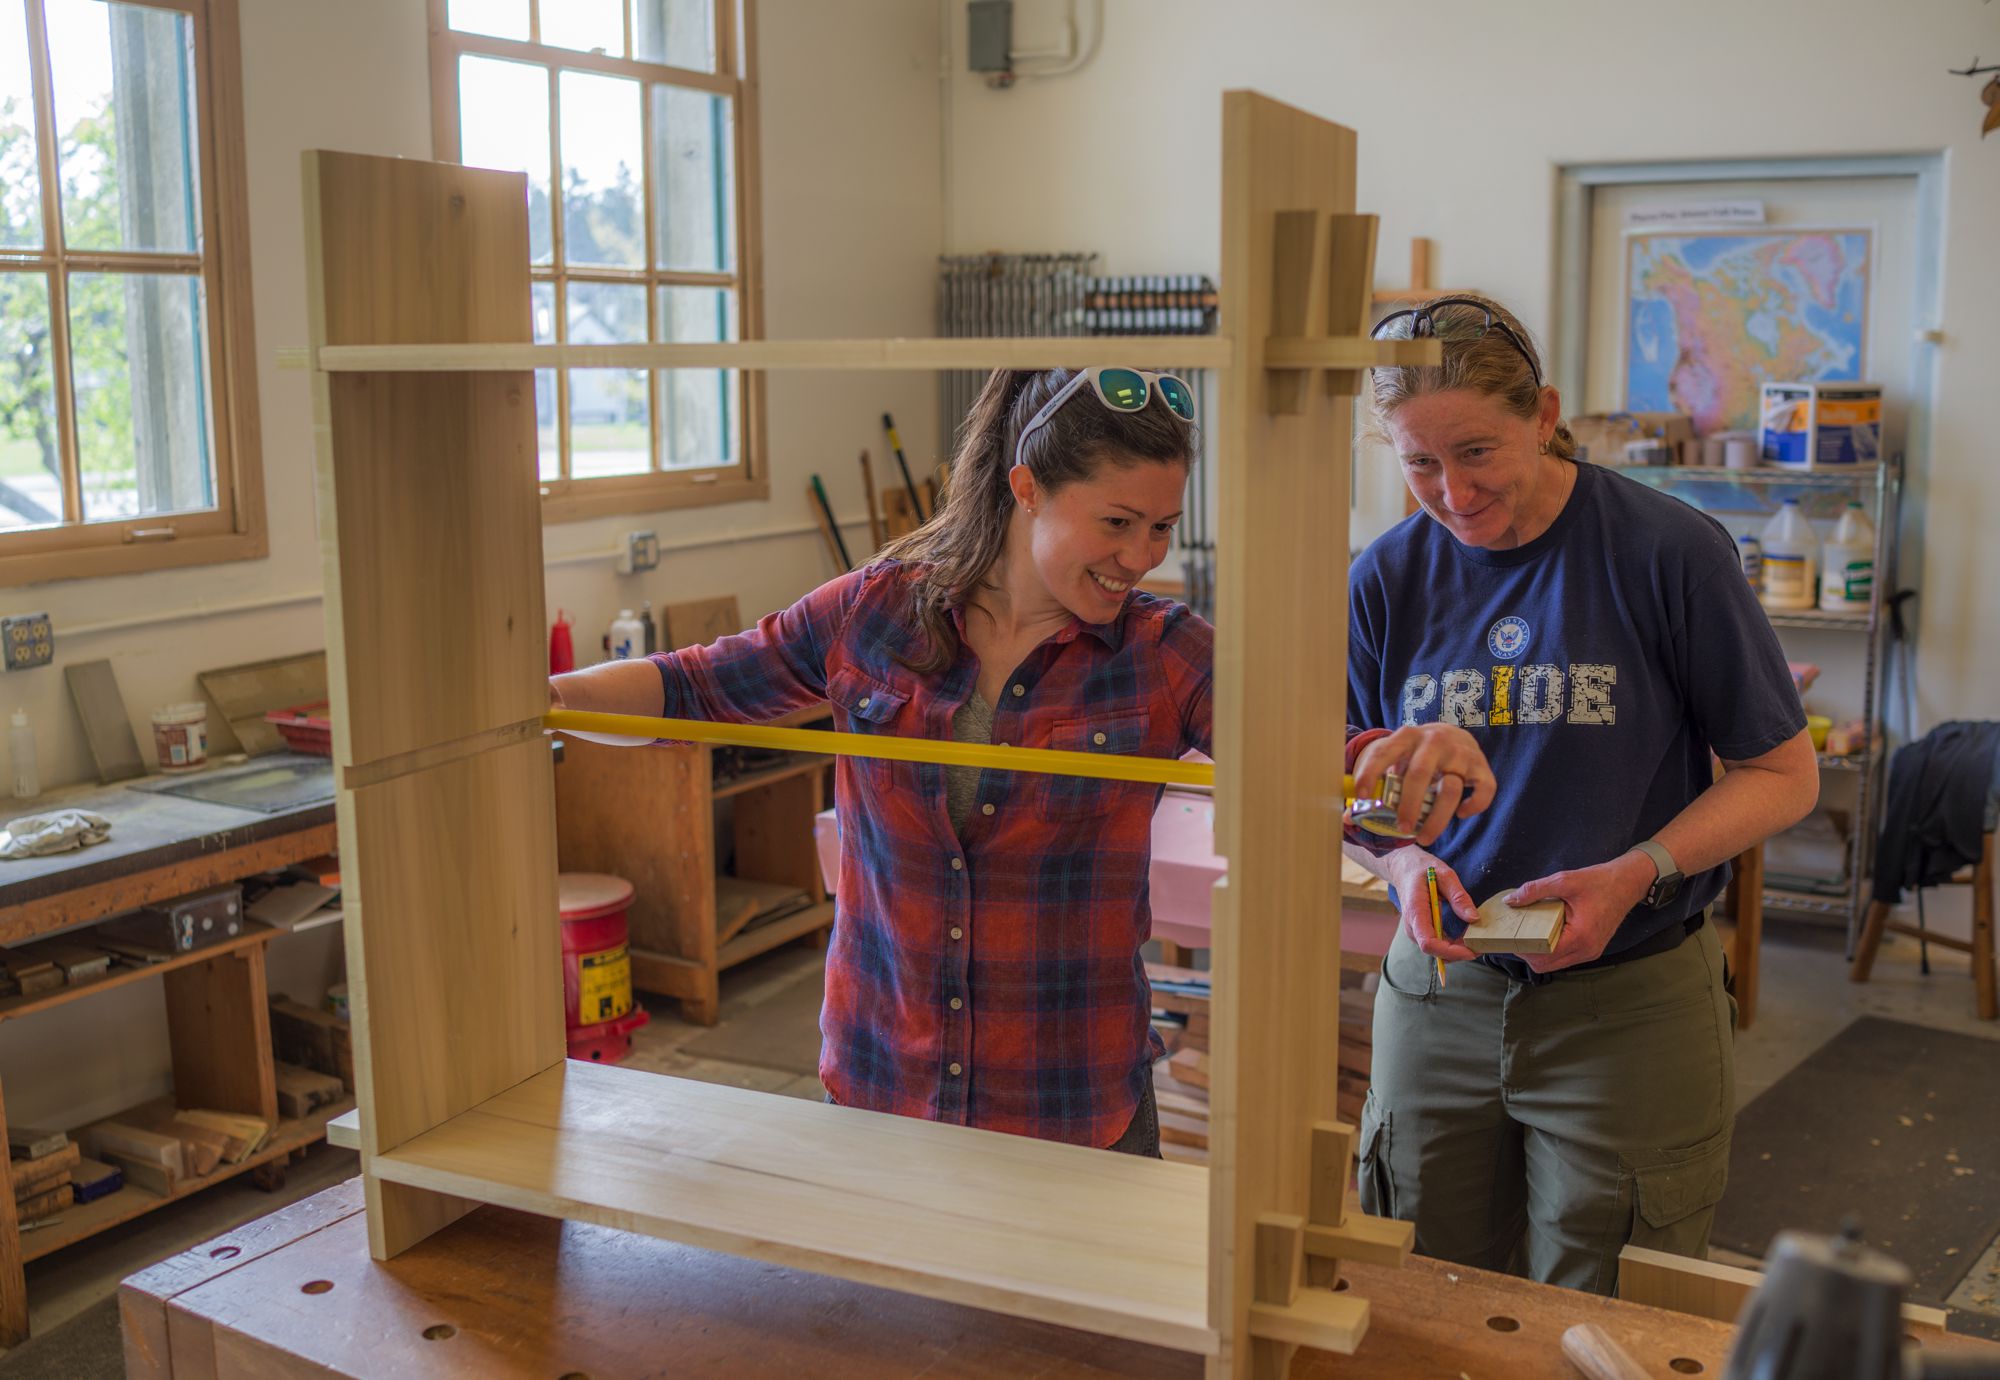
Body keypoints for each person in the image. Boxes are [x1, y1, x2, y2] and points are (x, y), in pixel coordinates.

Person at [551, 366, 1211, 1156]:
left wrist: (1389, 773)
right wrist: (541, 699)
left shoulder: (1164, 651)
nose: (1142, 555)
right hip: (881, 1091)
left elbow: (1313, 762)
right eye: (1118, 522)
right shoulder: (875, 613)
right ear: (1027, 488)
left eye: (1163, 527)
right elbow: (693, 685)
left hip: (1071, 1110)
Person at [1343, 294, 1820, 1293]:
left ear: (1543, 411)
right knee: (1423, 1297)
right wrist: (1397, 861)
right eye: (1418, 463)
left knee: (1606, 1308)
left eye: (1476, 452)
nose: (1452, 494)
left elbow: (1782, 775)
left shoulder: (1667, 552)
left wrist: (1640, 869)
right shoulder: (1383, 578)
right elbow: (1347, 789)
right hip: (1437, 998)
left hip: (1630, 1003)